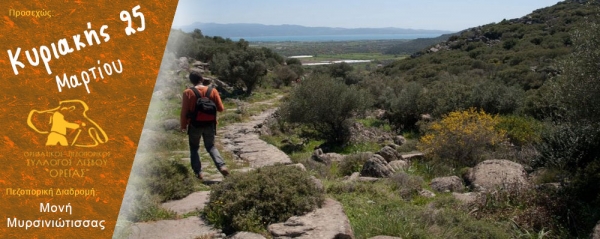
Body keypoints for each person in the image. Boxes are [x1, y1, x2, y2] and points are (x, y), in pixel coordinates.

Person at [180, 71, 229, 179]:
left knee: (194, 148)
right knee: (211, 146)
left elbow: (184, 112)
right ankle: (222, 166)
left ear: (191, 81)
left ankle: (199, 173)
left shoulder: (187, 92)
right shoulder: (213, 91)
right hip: (210, 124)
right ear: (202, 79)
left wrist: (183, 126)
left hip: (194, 125)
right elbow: (221, 109)